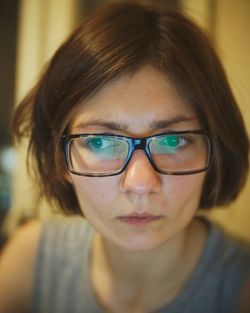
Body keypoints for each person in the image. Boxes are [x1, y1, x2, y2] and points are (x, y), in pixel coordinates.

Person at [0, 1, 250, 312]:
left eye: (173, 140)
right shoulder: (29, 264)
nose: (140, 183)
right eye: (101, 142)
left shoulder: (240, 290)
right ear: (60, 159)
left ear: (215, 152)